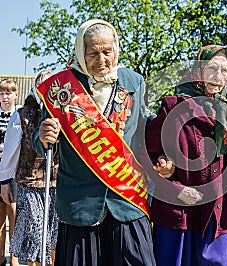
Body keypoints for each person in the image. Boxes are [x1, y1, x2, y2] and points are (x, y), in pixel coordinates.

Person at [31, 19, 155, 266]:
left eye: (107, 51)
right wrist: (43, 137)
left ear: (116, 49)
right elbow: (41, 141)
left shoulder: (134, 82)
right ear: (80, 52)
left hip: (127, 200)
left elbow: (145, 132)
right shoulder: (61, 87)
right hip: (80, 204)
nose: (102, 60)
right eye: (93, 53)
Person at [146, 45, 227, 266]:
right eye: (212, 69)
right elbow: (149, 156)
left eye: (225, 71)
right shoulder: (173, 106)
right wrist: (176, 189)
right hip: (178, 215)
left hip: (217, 213)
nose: (219, 77)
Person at [0, 70, 57, 266]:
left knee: (53, 238)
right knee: (34, 237)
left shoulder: (61, 112)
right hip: (29, 184)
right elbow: (9, 152)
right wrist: (5, 182)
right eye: (41, 84)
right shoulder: (21, 115)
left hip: (56, 185)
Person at [0, 79, 20, 266]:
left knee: (13, 212)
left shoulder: (19, 115)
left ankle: (14, 258)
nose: (5, 97)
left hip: (13, 170)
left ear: (16, 94)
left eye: (8, 93)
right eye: (2, 93)